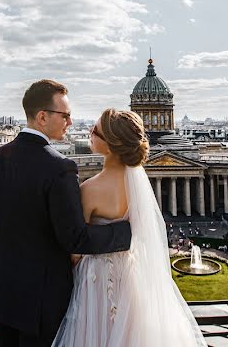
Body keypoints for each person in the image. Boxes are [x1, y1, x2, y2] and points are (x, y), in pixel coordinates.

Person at [0, 81, 132, 347]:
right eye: (65, 115)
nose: (70, 122)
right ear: (42, 117)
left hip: (0, 293)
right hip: (41, 301)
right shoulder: (60, 168)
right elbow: (75, 238)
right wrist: (126, 231)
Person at [51, 108, 206, 347]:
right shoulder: (138, 188)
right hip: (133, 276)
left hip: (96, 281)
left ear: (111, 145)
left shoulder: (89, 189)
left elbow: (76, 248)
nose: (89, 134)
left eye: (95, 131)